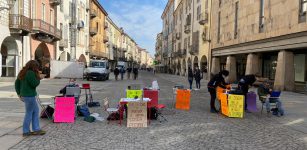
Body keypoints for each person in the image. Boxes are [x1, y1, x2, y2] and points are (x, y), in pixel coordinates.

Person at [15, 60, 46, 137]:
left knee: (35, 111)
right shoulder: (30, 73)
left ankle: (36, 129)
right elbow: (34, 84)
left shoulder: (22, 72)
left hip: (25, 95)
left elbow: (16, 83)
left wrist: (19, 94)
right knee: (29, 113)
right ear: (34, 67)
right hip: (30, 96)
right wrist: (39, 78)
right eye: (36, 67)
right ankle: (26, 131)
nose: (37, 69)